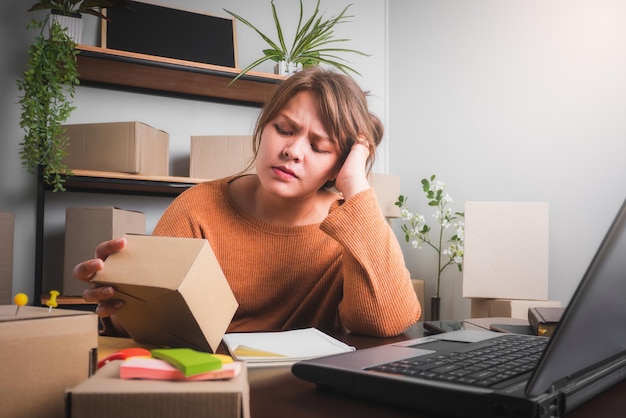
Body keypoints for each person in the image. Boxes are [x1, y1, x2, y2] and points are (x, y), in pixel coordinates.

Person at [75, 66, 421, 338]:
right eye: (284, 129)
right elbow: (155, 328)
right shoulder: (197, 209)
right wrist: (121, 305)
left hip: (307, 393)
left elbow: (385, 322)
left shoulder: (353, 225)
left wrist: (356, 184)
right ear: (264, 126)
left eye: (319, 147)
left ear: (338, 164)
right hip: (211, 385)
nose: (292, 151)